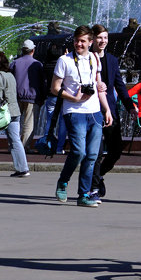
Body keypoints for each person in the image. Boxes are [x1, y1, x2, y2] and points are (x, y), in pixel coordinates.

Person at [52, 25, 112, 207]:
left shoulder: (95, 58)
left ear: (90, 42)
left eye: (83, 41)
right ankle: (63, 181)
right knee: (79, 152)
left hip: (94, 113)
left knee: (93, 155)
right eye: (77, 40)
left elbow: (98, 85)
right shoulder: (64, 60)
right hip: (74, 112)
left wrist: (106, 109)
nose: (79, 44)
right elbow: (54, 88)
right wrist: (74, 97)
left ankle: (83, 194)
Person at [91, 25, 129, 198]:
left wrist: (130, 106)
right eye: (99, 37)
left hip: (111, 111)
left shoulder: (112, 60)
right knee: (97, 152)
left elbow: (120, 85)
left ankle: (99, 176)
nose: (103, 41)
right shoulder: (87, 59)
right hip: (92, 110)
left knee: (116, 151)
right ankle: (94, 187)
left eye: (105, 37)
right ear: (93, 38)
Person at [10, 38, 44, 146]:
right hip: (32, 98)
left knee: (14, 122)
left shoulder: (14, 63)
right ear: (33, 50)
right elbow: (42, 82)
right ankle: (24, 146)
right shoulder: (38, 64)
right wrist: (42, 97)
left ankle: (13, 145)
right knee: (29, 123)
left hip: (16, 97)